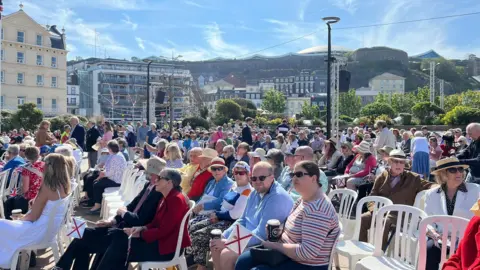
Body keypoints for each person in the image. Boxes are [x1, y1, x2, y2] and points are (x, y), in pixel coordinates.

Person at [54, 157, 165, 270]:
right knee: (83, 234)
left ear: (153, 174)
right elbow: (132, 205)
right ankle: (61, 267)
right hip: (121, 227)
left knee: (83, 239)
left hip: (128, 234)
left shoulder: (158, 193)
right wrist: (112, 220)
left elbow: (140, 220)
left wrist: (123, 214)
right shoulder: (149, 186)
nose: (143, 171)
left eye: (145, 169)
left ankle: (60, 267)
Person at [235, 161, 340, 270]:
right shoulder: (303, 199)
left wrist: (276, 246)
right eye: (292, 175)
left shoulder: (318, 209)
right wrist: (278, 230)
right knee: (243, 261)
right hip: (287, 255)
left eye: (299, 175)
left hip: (306, 264)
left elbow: (307, 252)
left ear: (313, 178)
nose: (294, 179)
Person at [95, 169, 191, 270]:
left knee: (119, 245)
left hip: (166, 249)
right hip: (159, 242)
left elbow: (164, 230)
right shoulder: (167, 196)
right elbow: (155, 222)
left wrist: (140, 234)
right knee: (118, 237)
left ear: (169, 182)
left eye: (159, 178)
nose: (155, 181)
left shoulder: (175, 199)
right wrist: (142, 228)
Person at [210, 162, 294, 270]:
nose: (257, 181)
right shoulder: (255, 192)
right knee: (215, 244)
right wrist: (225, 235)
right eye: (254, 179)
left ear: (272, 177)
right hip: (248, 237)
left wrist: (229, 243)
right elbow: (243, 219)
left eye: (262, 178)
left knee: (227, 254)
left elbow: (262, 234)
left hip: (264, 243)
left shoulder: (277, 198)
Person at [0, 154, 71, 269]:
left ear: (48, 167)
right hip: (48, 232)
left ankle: (6, 261)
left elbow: (33, 217)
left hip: (37, 232)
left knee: (2, 224)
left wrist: (19, 219)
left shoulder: (48, 187)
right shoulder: (65, 186)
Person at [359, 149, 434, 250]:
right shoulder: (382, 176)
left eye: (402, 162)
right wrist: (373, 210)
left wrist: (445, 186)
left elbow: (431, 185)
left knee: (385, 222)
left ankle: (379, 252)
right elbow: (372, 196)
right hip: (380, 211)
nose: (399, 164)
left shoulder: (413, 178)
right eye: (395, 161)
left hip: (400, 215)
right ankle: (363, 250)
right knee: (363, 218)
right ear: (389, 162)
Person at [188, 161, 253, 270]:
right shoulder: (235, 186)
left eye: (241, 173)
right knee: (193, 226)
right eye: (235, 172)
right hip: (221, 216)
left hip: (230, 222)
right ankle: (197, 258)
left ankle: (201, 265)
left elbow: (235, 214)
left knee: (200, 234)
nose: (237, 175)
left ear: (248, 174)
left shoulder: (247, 191)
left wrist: (217, 215)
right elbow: (224, 203)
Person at [423, 158, 480, 270]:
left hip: (466, 240)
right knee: (429, 250)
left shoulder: (476, 190)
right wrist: (433, 232)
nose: (459, 173)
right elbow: (427, 219)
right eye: (453, 170)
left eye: (460, 169)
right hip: (440, 238)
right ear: (443, 174)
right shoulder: (431, 194)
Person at [87, 140, 127, 214]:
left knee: (97, 184)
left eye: (108, 148)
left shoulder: (116, 157)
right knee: (94, 178)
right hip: (114, 178)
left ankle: (97, 206)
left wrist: (102, 173)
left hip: (116, 181)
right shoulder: (116, 155)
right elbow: (109, 169)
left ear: (110, 149)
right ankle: (93, 201)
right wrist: (102, 172)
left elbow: (109, 173)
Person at [4, 146, 44, 219]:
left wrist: (18, 192)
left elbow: (25, 189)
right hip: (42, 195)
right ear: (38, 155)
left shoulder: (26, 169)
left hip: (31, 199)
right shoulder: (44, 165)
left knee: (8, 202)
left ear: (26, 156)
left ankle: (12, 223)